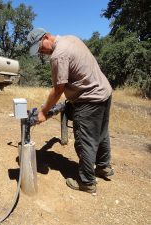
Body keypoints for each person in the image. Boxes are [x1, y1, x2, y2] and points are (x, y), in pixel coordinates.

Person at [27, 28, 114, 193]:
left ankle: (87, 182)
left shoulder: (58, 54)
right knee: (101, 133)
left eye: (40, 48)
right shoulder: (71, 38)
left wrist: (44, 112)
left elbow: (58, 89)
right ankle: (103, 167)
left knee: (85, 140)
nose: (42, 52)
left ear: (46, 37)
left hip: (89, 99)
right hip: (104, 93)